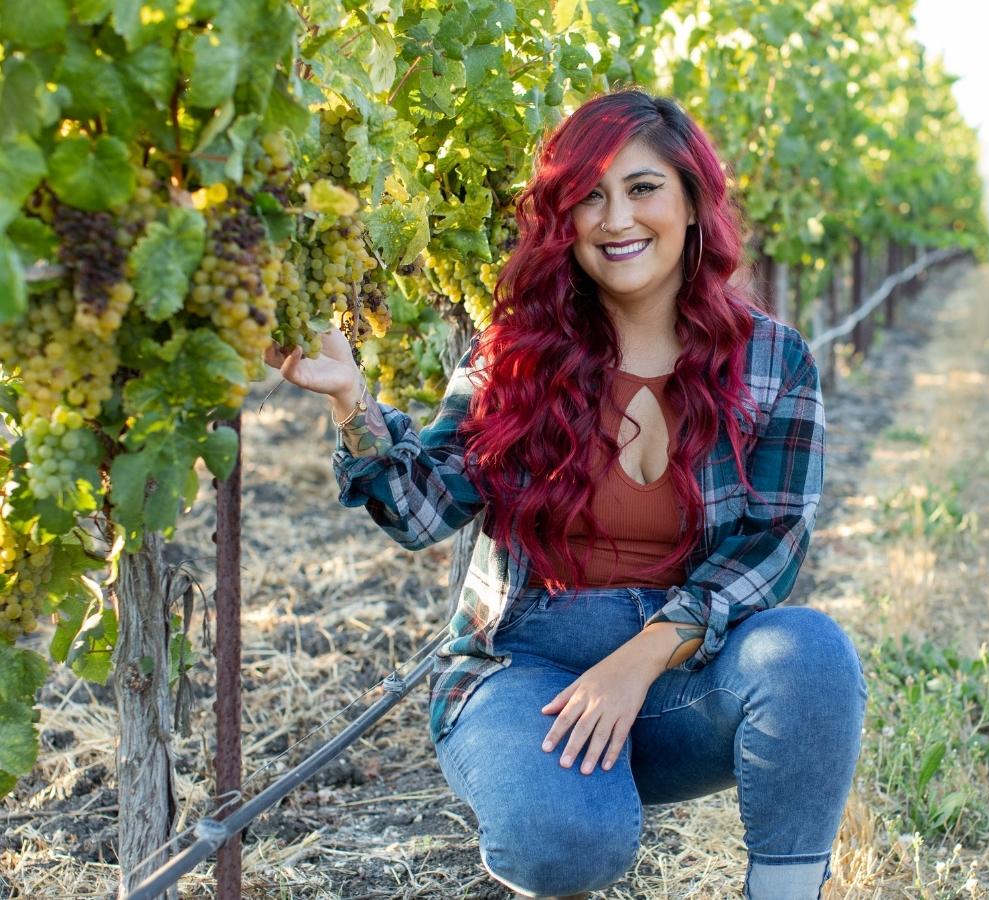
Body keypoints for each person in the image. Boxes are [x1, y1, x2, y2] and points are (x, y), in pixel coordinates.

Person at [265, 88, 866, 900]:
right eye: (588, 195)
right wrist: (351, 403)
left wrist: (642, 657)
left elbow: (776, 540)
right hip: (526, 666)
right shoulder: (515, 354)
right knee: (566, 842)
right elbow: (422, 511)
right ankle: (558, 794)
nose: (616, 218)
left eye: (643, 188)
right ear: (564, 221)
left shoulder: (771, 359)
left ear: (692, 201)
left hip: (682, 673)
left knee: (810, 654)